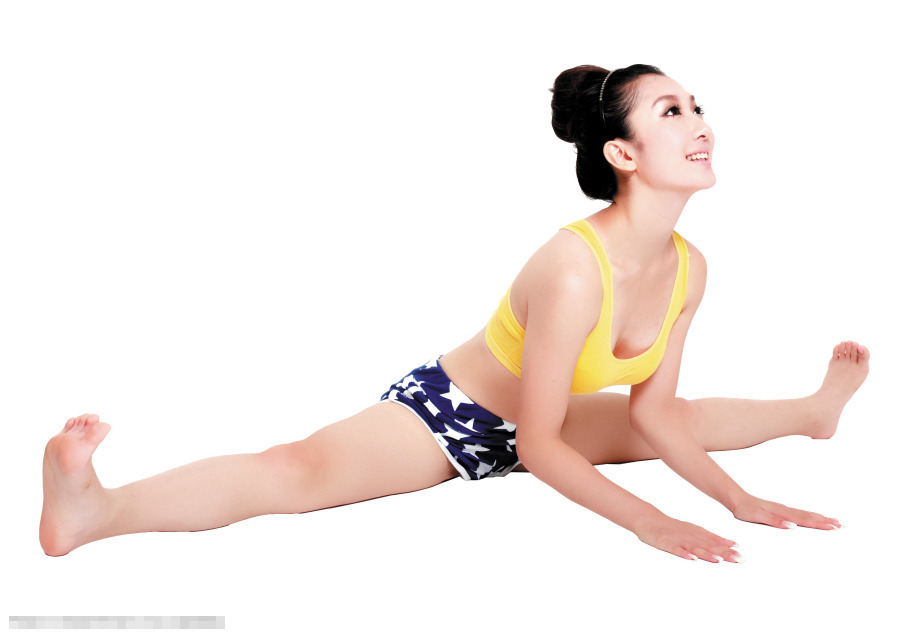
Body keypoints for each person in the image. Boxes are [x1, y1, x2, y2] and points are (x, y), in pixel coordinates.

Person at [39, 64, 869, 563]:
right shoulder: (572, 268)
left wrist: (738, 500)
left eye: (695, 104)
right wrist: (651, 521)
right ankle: (95, 510)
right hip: (454, 414)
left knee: (682, 415)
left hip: (553, 420)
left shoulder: (689, 268)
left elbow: (652, 412)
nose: (700, 125)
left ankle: (812, 412)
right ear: (622, 152)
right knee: (295, 470)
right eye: (672, 112)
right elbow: (537, 445)